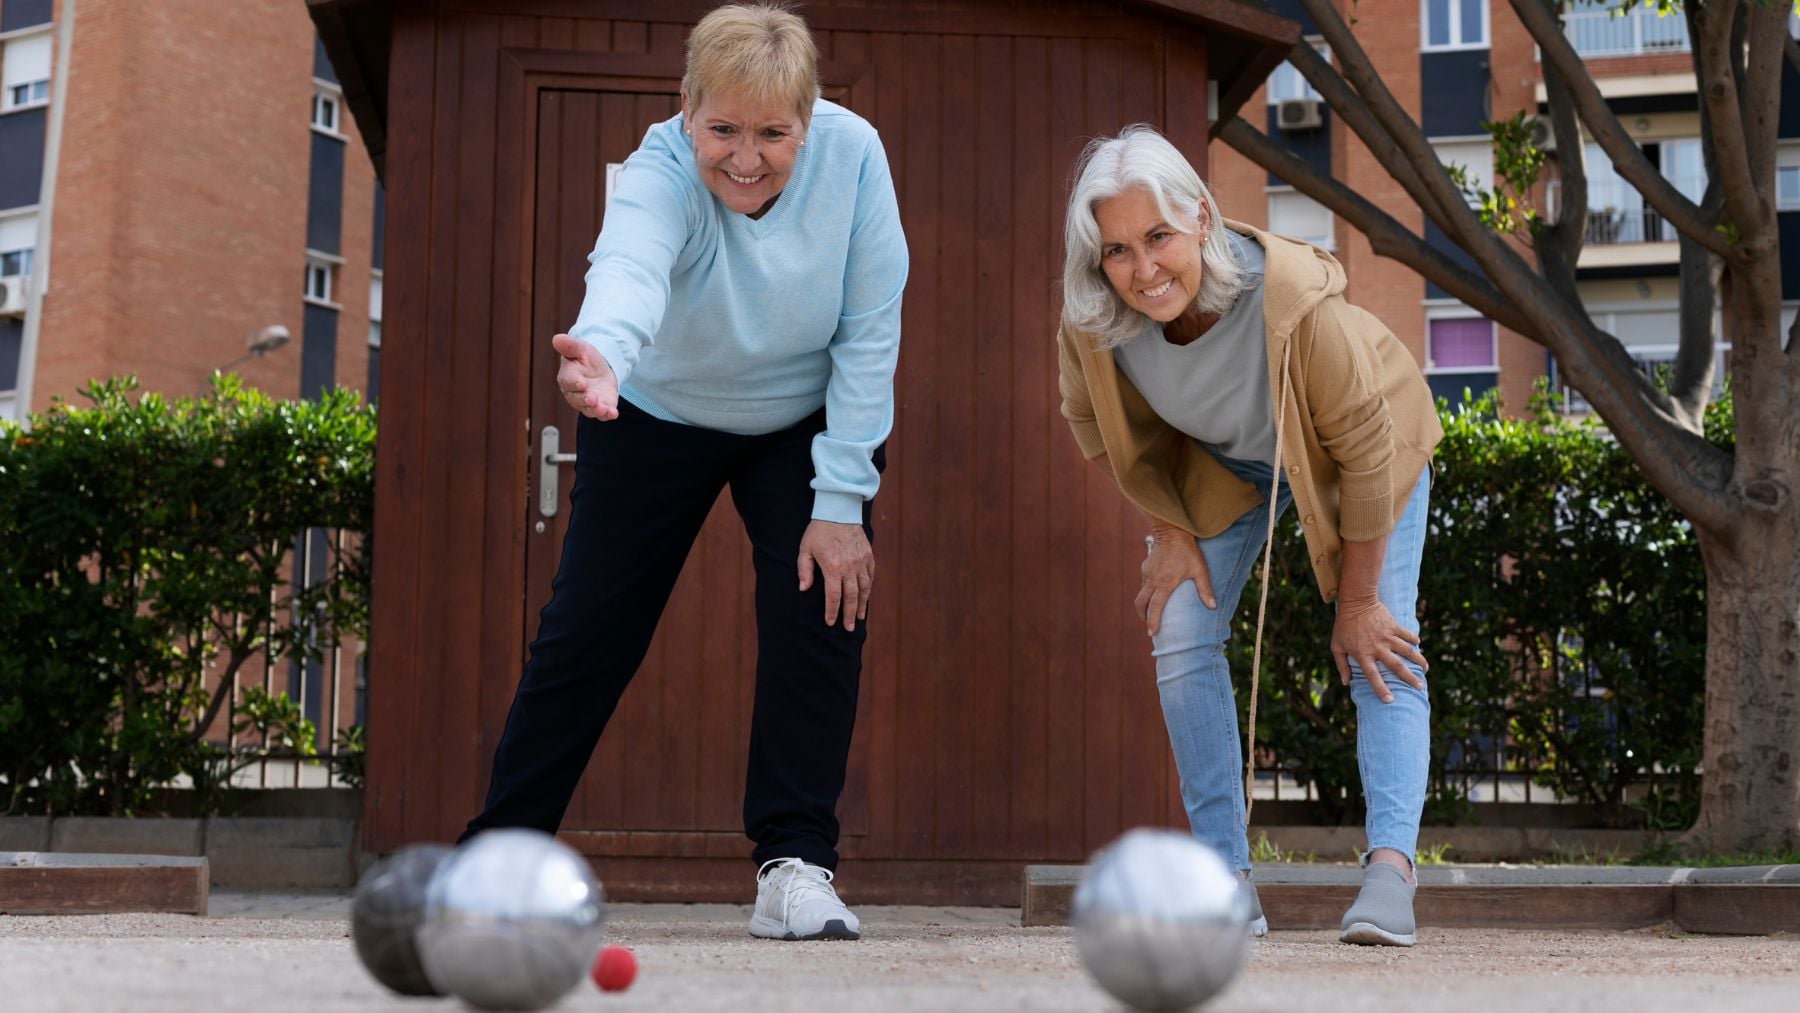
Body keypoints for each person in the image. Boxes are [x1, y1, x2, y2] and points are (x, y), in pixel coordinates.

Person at [462, 3, 907, 943]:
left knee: (819, 610)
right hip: (655, 405)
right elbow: (629, 266)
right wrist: (604, 354)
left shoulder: (856, 156)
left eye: (773, 133)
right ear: (685, 110)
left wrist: (840, 501)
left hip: (803, 416)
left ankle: (796, 865)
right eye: (723, 131)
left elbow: (870, 329)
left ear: (809, 117)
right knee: (587, 629)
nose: (745, 158)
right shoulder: (659, 172)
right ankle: (499, 859)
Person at [1056, 125, 1443, 947]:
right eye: (1117, 250)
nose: (1143, 268)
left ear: (1201, 218)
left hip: (1361, 455)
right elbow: (1095, 425)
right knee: (1182, 626)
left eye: (1157, 236)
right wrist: (1168, 530)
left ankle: (1390, 874)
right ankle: (1224, 881)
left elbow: (1368, 455)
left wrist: (1360, 599)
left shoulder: (1300, 308)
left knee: (1379, 643)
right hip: (1232, 463)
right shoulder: (1094, 323)